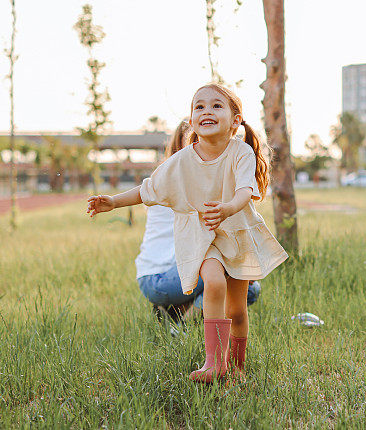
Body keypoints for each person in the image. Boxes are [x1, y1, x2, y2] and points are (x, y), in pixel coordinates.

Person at [88, 83, 288, 383]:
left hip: (237, 232)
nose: (207, 110)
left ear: (235, 120)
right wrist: (114, 201)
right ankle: (214, 362)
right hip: (203, 237)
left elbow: (246, 191)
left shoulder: (241, 152)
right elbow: (148, 189)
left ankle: (236, 367)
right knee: (214, 282)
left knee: (237, 309)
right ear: (192, 121)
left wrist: (228, 207)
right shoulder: (181, 161)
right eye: (199, 106)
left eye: (217, 106)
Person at [135, 119, 261, 323]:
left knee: (250, 288)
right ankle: (182, 324)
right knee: (234, 271)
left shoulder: (176, 177)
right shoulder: (181, 180)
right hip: (161, 278)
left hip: (164, 276)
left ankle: (175, 309)